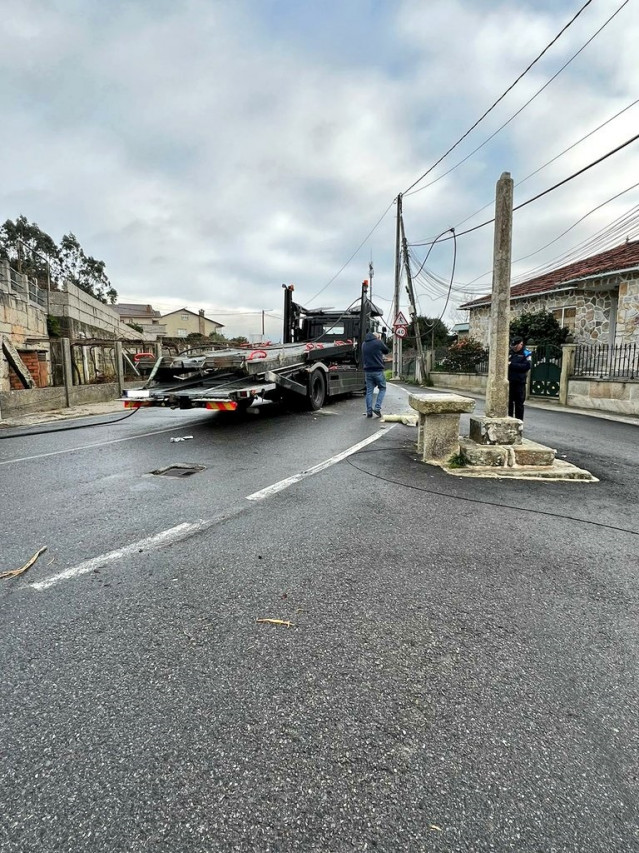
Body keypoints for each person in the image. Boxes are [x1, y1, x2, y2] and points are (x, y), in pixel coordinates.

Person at [362, 330, 389, 417]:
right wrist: (379, 340)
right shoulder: (378, 342)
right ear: (377, 337)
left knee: (369, 391)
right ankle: (377, 408)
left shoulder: (364, 344)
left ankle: (369, 411)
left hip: (368, 371)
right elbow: (386, 351)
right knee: (382, 388)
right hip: (378, 370)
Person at [508, 336, 532, 420]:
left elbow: (526, 366)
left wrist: (511, 365)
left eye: (515, 345)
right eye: (512, 346)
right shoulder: (510, 352)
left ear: (520, 344)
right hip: (509, 382)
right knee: (508, 403)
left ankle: (519, 423)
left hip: (519, 382)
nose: (513, 347)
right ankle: (509, 421)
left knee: (519, 404)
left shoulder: (526, 353)